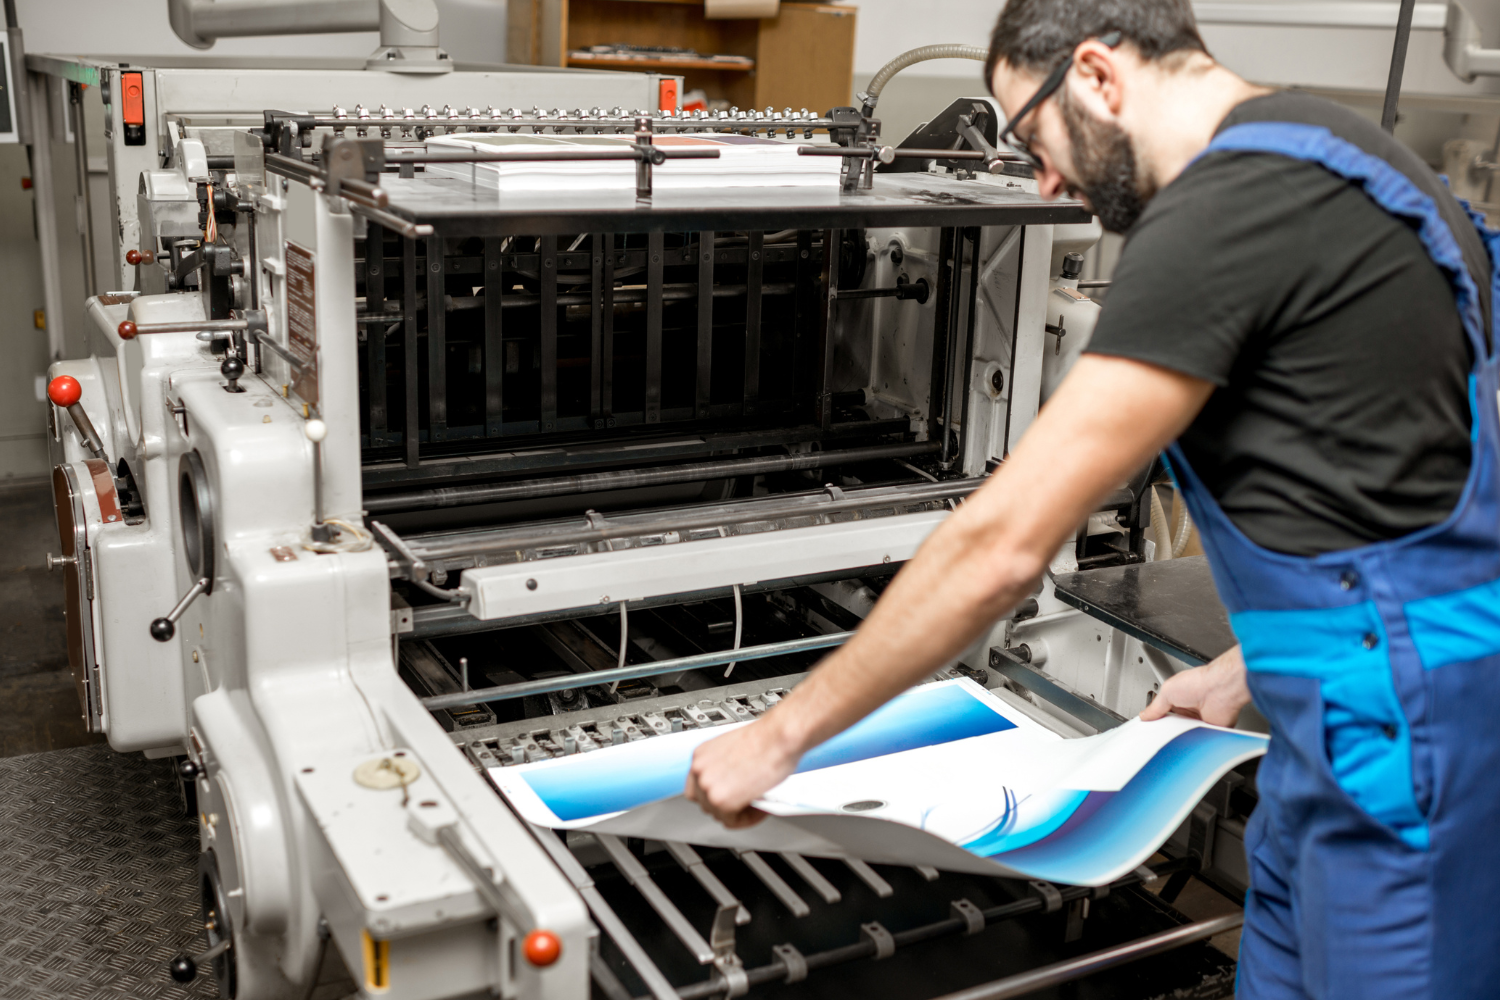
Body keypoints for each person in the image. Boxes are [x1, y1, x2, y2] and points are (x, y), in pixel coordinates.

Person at [683, 0, 1500, 996]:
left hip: (1405, 748)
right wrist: (1258, 659)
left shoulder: (1223, 210)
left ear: (1099, 75)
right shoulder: (1342, 155)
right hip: (1337, 715)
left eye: (1031, 133)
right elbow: (1398, 474)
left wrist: (776, 739)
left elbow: (1001, 548)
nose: (1043, 178)